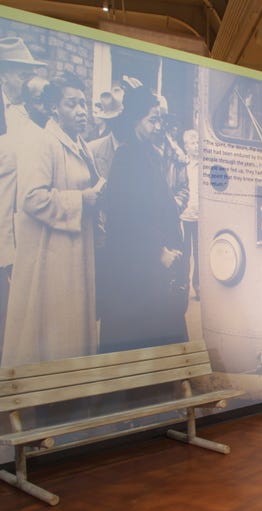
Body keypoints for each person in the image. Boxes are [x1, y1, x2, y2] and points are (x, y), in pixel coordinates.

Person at [0, 72, 105, 367]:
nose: (82, 111)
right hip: (51, 259)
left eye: (83, 104)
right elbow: (32, 197)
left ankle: (72, 397)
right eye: (72, 104)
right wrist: (82, 199)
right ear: (54, 108)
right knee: (51, 330)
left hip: (76, 251)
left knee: (72, 327)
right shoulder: (43, 142)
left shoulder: (80, 143)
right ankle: (46, 401)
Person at [98, 82, 188, 353]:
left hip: (150, 268)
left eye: (160, 120)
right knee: (136, 336)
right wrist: (157, 251)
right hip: (136, 271)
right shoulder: (127, 157)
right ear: (137, 120)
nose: (158, 126)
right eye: (152, 120)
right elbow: (126, 216)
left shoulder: (148, 153)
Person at [0, 37, 45, 357]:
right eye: (20, 72)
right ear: (3, 72)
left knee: (17, 311)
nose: (25, 78)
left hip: (23, 219)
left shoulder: (30, 111)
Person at [180, 128, 199, 300]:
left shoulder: (204, 166)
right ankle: (183, 284)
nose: (196, 146)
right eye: (192, 143)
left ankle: (198, 286)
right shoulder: (182, 165)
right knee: (185, 252)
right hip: (185, 215)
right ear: (186, 147)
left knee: (199, 253)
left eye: (197, 142)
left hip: (200, 216)